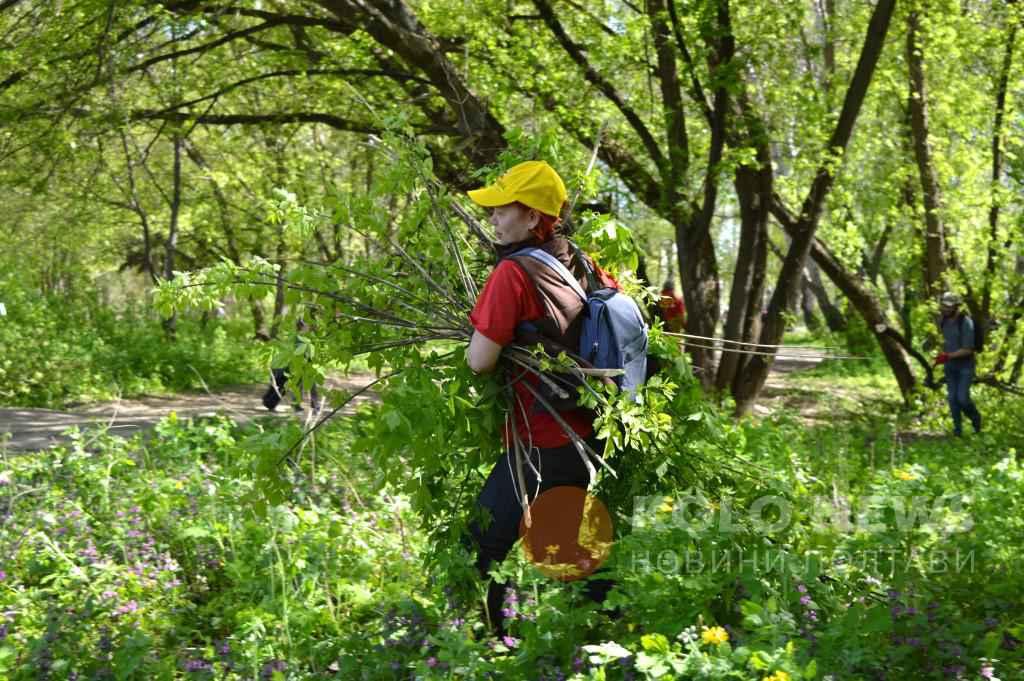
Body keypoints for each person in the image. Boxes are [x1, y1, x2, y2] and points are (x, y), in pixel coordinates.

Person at [464, 160, 616, 631]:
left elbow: (479, 361)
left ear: (532, 217)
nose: (492, 218)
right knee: (566, 542)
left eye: (501, 208)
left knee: (484, 540)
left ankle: (494, 641)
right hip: (592, 431)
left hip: (543, 437)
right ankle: (609, 630)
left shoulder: (513, 274)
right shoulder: (586, 263)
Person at [934, 291, 981, 436]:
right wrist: (940, 355)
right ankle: (957, 431)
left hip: (965, 365)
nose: (945, 309)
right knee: (952, 399)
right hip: (950, 366)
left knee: (962, 398)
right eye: (943, 306)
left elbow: (968, 349)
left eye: (949, 307)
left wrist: (947, 356)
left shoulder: (965, 322)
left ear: (956, 307)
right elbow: (944, 342)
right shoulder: (942, 321)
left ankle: (975, 418)